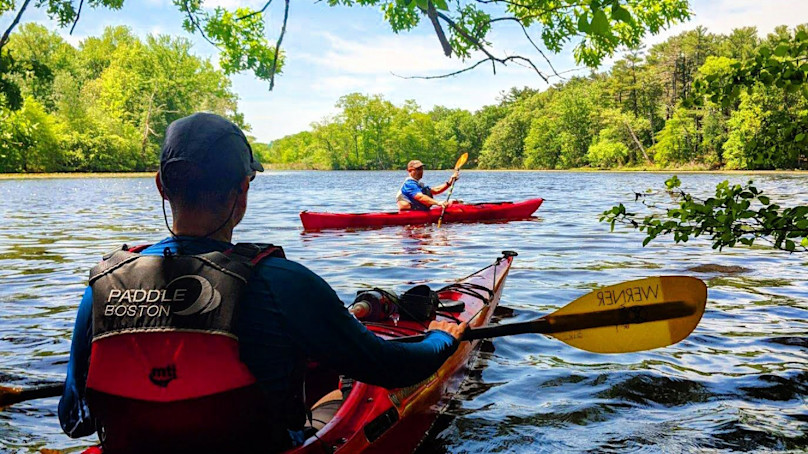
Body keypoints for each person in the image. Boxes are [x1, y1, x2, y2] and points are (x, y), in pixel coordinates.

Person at [58, 112, 466, 453]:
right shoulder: (282, 281)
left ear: (162, 186)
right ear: (243, 189)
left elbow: (75, 421)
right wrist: (441, 340)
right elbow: (390, 367)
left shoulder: (102, 285)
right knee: (346, 385)